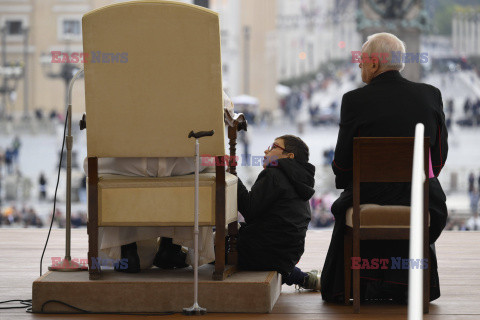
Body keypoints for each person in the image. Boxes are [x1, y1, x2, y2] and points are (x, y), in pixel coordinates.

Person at [321, 33, 448, 303]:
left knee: (349, 204)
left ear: (375, 64)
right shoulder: (430, 95)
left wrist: (347, 179)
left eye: (362, 60)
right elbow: (437, 160)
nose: (359, 66)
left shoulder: (354, 100)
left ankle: (364, 285)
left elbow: (342, 164)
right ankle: (406, 286)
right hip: (421, 195)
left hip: (370, 195)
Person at [83, 91, 235, 273]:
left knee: (98, 167)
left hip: (128, 162)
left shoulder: (122, 75)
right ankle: (171, 247)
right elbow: (225, 108)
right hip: (182, 161)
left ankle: (126, 251)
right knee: (215, 163)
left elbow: (99, 109)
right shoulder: (195, 73)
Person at [236, 135, 320, 290]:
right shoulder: (299, 180)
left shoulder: (274, 174)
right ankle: (302, 277)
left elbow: (249, 209)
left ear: (289, 156)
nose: (266, 150)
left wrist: (233, 177)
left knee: (207, 247)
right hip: (287, 255)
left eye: (274, 146)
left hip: (263, 254)